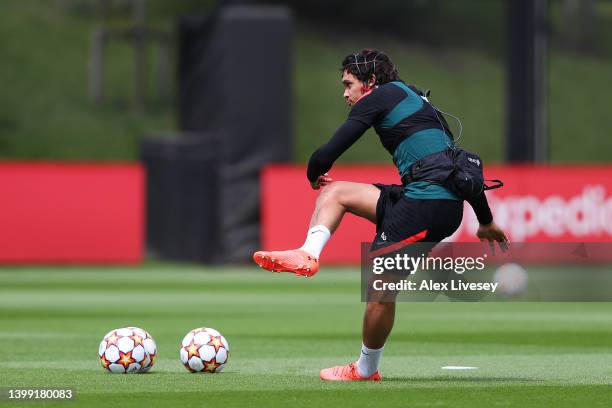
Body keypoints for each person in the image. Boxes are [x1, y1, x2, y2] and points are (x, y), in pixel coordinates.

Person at [253, 49, 509, 381]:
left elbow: (331, 150)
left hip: (425, 205)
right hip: (422, 197)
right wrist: (485, 220)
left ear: (370, 81)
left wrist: (314, 171)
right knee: (337, 193)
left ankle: (365, 369)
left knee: (380, 290)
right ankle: (308, 253)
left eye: (349, 84)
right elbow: (461, 168)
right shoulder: (412, 96)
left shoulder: (382, 96)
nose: (346, 93)